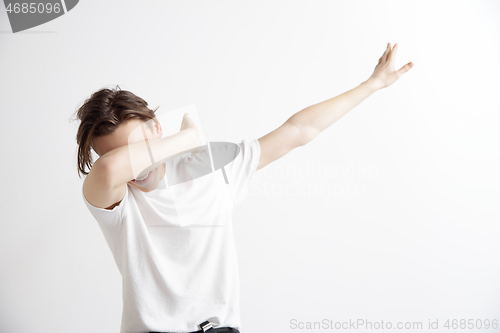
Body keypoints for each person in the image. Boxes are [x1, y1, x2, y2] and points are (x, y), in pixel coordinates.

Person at [74, 43, 413, 333]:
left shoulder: (211, 170)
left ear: (157, 128)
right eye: (125, 155)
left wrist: (372, 84)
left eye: (138, 145)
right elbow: (106, 169)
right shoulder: (116, 203)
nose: (138, 166)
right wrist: (188, 138)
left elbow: (298, 131)